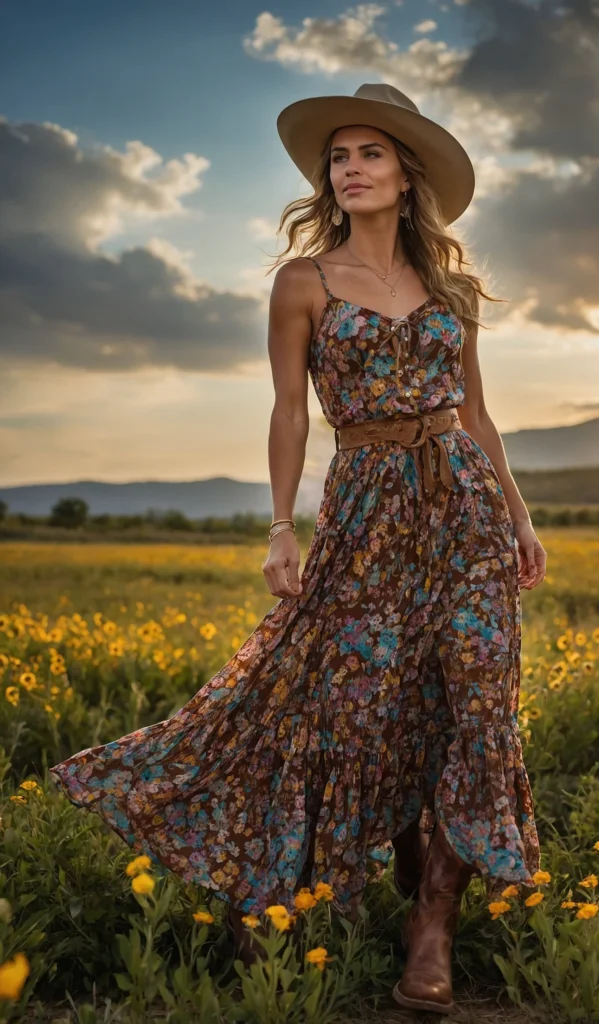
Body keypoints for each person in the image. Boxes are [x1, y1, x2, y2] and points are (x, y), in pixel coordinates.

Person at [50, 82, 547, 1015]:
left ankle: (431, 925)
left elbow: (476, 414)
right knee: (361, 710)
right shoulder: (302, 284)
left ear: (408, 175)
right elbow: (287, 411)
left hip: (466, 513)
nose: (349, 169)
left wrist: (518, 516)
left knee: (478, 704)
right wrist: (282, 527)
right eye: (338, 158)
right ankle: (354, 868)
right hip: (364, 512)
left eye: (369, 154)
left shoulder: (452, 291)